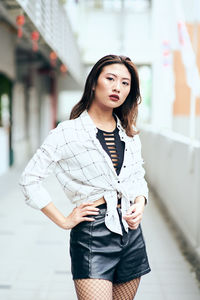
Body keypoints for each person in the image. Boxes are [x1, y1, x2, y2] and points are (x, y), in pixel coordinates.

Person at [19, 54, 151, 300]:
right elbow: (30, 179)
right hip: (93, 235)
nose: (117, 87)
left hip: (132, 235)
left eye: (125, 83)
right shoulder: (67, 133)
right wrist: (64, 220)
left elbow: (138, 178)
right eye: (110, 79)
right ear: (93, 83)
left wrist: (140, 203)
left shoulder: (130, 134)